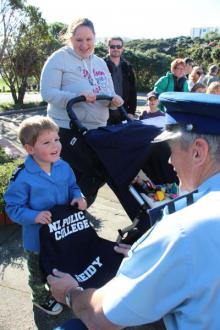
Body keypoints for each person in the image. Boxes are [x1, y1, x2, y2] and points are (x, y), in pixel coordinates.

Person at [48, 92, 220, 329]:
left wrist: (70, 293)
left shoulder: (182, 230)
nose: (169, 161)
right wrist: (159, 257)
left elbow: (101, 316)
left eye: (171, 148)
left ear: (198, 151)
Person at [4, 116, 87, 315]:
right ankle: (40, 297)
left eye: (57, 139)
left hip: (62, 232)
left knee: (60, 265)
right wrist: (34, 215)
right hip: (37, 240)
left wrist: (79, 197)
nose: (55, 145)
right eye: (46, 142)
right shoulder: (23, 177)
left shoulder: (63, 166)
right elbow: (12, 207)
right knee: (38, 272)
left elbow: (74, 187)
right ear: (30, 149)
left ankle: (60, 290)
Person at [40, 18, 123, 204]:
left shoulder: (101, 63)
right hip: (67, 129)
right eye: (79, 40)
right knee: (96, 171)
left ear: (95, 39)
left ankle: (75, 215)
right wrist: (76, 96)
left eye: (89, 39)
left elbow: (109, 93)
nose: (84, 45)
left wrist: (114, 101)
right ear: (70, 39)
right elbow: (47, 92)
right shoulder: (59, 58)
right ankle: (70, 212)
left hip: (97, 130)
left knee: (89, 176)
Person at [104, 36, 137, 123]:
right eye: (112, 46)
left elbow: (133, 91)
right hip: (104, 111)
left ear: (122, 48)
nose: (116, 49)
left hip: (123, 111)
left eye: (118, 46)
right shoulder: (100, 64)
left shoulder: (128, 67)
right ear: (108, 48)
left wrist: (131, 112)